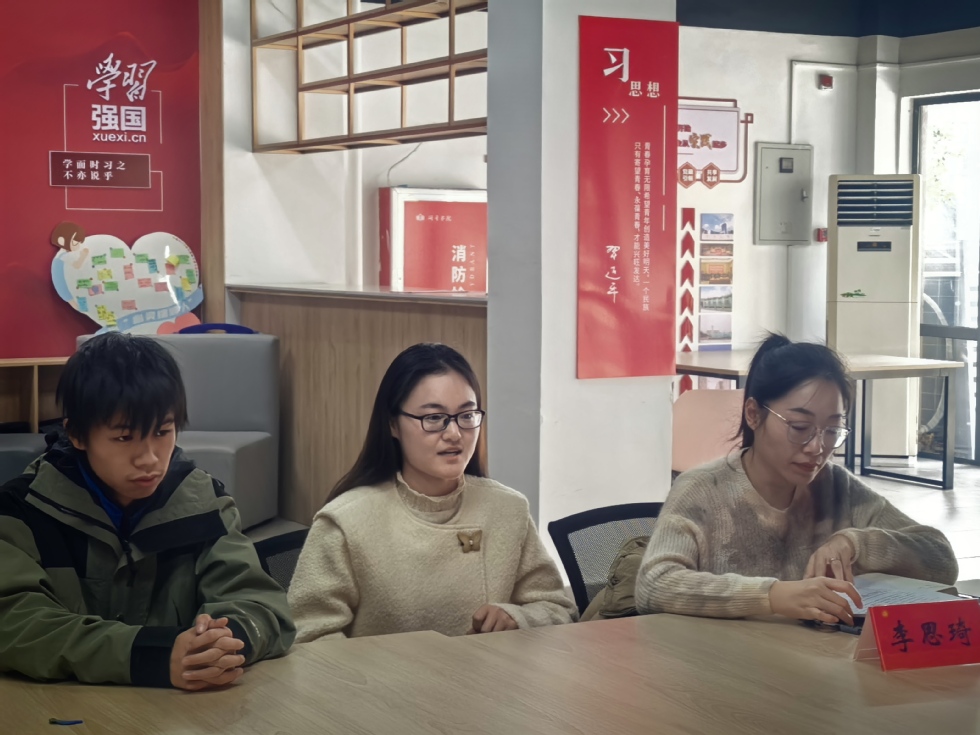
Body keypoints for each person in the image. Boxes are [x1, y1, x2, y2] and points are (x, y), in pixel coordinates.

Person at [0, 333, 295, 688]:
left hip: (183, 710)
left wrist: (223, 642)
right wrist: (148, 655)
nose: (150, 458)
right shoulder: (22, 511)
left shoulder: (204, 503)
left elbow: (261, 604)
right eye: (124, 438)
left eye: (162, 431)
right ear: (76, 434)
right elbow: (15, 623)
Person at [635, 334, 958, 626]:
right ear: (753, 414)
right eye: (800, 428)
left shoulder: (838, 488)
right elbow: (654, 584)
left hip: (810, 662)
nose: (817, 447)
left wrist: (857, 543)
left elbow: (941, 560)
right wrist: (772, 596)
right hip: (719, 665)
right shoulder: (703, 490)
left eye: (832, 430)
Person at [288, 343, 576, 641]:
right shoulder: (346, 522)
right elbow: (308, 637)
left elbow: (559, 609)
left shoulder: (507, 508)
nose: (454, 434)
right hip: (385, 674)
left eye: (467, 415)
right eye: (434, 418)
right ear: (393, 424)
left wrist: (517, 618)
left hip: (490, 672)